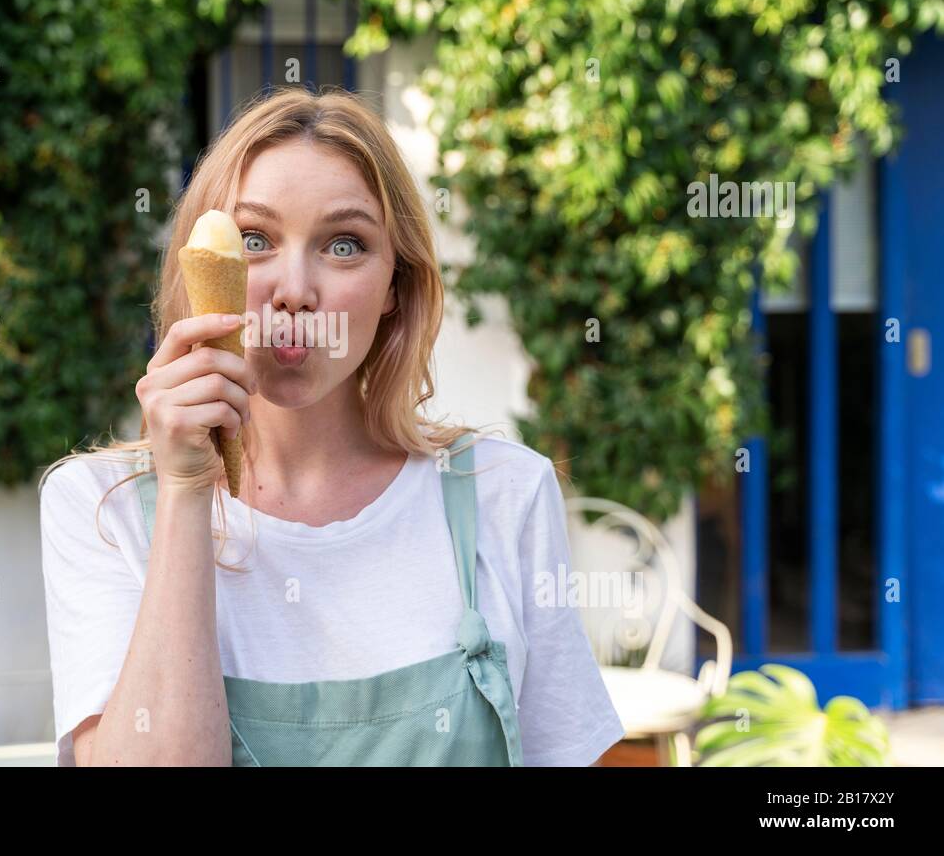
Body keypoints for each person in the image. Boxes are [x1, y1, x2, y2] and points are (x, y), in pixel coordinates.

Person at [39, 85, 625, 766]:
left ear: (394, 291)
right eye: (253, 240)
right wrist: (185, 493)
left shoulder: (504, 493)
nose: (294, 289)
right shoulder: (101, 510)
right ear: (201, 273)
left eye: (344, 245)